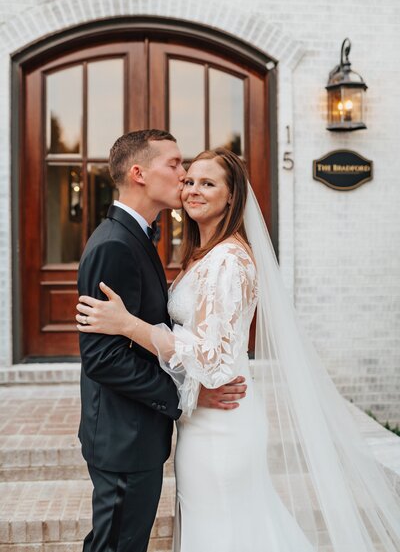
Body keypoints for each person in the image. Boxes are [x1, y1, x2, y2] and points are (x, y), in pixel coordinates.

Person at [77, 147, 400, 552]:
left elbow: (212, 360)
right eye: (189, 179)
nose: (191, 188)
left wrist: (129, 325)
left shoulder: (229, 260)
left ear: (232, 197)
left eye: (206, 183)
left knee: (225, 530)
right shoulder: (202, 255)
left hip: (222, 422)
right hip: (202, 416)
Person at [77, 133, 247, 552]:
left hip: (143, 433)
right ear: (139, 174)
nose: (185, 174)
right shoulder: (115, 244)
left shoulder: (141, 237)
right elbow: (103, 359)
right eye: (174, 165)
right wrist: (185, 395)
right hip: (124, 437)